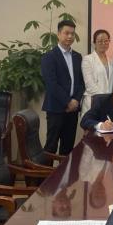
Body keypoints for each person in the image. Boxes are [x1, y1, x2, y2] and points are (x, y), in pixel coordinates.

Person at [41, 20, 84, 155]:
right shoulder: (49, 57)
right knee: (51, 146)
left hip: (73, 110)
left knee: (68, 147)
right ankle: (46, 170)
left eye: (72, 33)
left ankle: (65, 170)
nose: (70, 36)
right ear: (58, 34)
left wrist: (76, 100)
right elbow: (51, 84)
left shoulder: (77, 57)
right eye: (66, 33)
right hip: (56, 108)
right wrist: (68, 101)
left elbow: (81, 82)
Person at [81, 29, 113, 115]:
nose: (103, 43)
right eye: (100, 41)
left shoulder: (111, 61)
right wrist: (104, 98)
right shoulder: (87, 59)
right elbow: (89, 84)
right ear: (94, 43)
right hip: (93, 101)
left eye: (106, 41)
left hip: (109, 103)